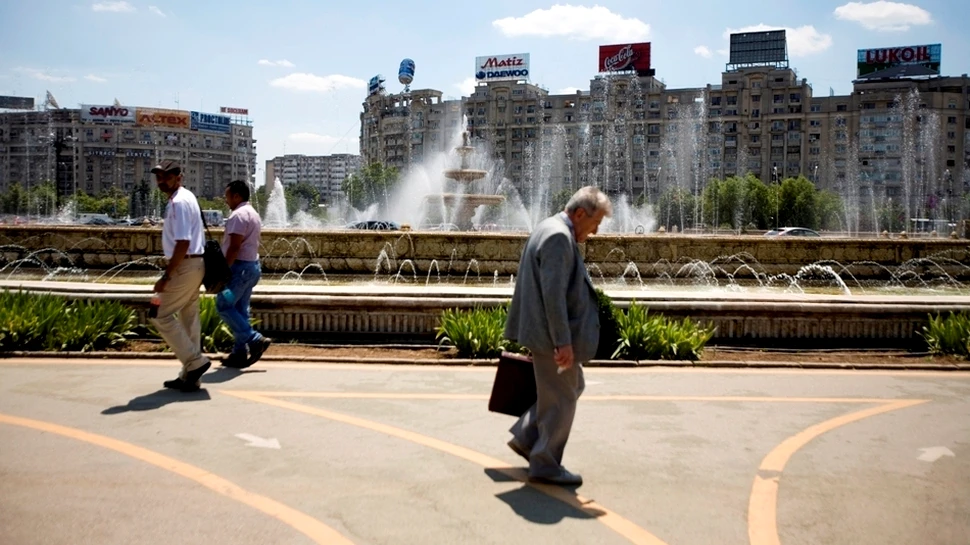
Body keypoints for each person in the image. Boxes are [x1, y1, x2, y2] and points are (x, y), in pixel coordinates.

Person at [503, 186, 612, 486]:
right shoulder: (558, 238)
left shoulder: (548, 228)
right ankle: (546, 463)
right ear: (579, 213)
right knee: (562, 397)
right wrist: (562, 342)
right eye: (595, 224)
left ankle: (528, 438)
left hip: (544, 334)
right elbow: (553, 296)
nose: (596, 232)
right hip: (551, 339)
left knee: (571, 386)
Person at [150, 159, 211, 392]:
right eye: (158, 176)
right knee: (189, 318)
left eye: (166, 175)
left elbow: (183, 242)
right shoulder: (187, 197)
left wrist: (166, 276)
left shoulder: (178, 202)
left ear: (178, 177)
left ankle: (195, 362)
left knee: (159, 313)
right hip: (195, 264)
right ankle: (190, 376)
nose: (161, 180)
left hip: (185, 265)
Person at [217, 180, 271, 368]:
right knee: (240, 309)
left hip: (239, 270)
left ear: (237, 196)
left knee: (223, 304)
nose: (226, 200)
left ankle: (254, 339)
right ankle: (239, 353)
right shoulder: (253, 214)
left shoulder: (238, 216)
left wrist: (223, 271)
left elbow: (234, 247)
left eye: (227, 196)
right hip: (251, 268)